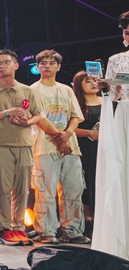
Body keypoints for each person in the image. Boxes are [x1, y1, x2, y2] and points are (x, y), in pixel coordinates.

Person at [0, 48, 43, 246]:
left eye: (6, 62)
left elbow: (39, 114)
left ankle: (19, 227)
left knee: (23, 189)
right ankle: (4, 228)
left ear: (16, 65)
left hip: (24, 144)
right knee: (3, 189)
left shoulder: (27, 90)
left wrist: (28, 122)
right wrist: (6, 113)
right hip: (1, 144)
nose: (1, 66)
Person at [29, 50, 89, 244]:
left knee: (73, 190)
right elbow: (39, 117)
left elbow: (76, 116)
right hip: (45, 146)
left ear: (59, 67)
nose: (47, 66)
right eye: (43, 63)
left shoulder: (66, 90)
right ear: (38, 67)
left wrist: (68, 134)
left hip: (71, 147)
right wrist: (59, 137)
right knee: (45, 191)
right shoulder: (33, 89)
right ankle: (46, 231)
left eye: (52, 63)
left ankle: (72, 231)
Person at [92, 11, 129, 260]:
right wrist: (105, 89)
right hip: (124, 115)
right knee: (122, 170)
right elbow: (115, 94)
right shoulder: (116, 59)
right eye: (126, 32)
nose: (128, 36)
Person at [72, 70, 100, 235]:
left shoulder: (108, 102)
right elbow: (69, 128)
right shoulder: (76, 105)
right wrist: (89, 133)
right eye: (87, 81)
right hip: (84, 148)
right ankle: (89, 221)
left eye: (95, 80)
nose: (93, 83)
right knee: (86, 183)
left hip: (104, 148)